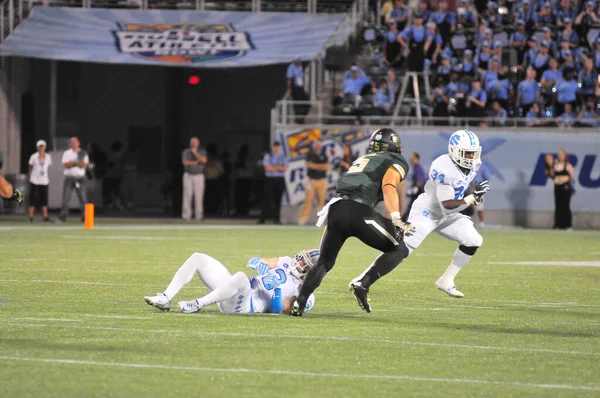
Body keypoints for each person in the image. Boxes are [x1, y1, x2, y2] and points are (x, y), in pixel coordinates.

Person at [290, 128, 416, 316]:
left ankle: (299, 304)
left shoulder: (363, 160)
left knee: (324, 262)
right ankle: (363, 284)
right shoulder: (395, 161)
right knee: (400, 249)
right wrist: (396, 218)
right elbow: (389, 185)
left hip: (337, 209)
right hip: (359, 213)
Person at [353, 130, 490, 300]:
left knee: (474, 240)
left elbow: (459, 192)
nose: (471, 157)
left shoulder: (475, 163)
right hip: (428, 211)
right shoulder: (443, 167)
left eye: (473, 153)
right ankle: (362, 281)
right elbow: (446, 205)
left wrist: (473, 193)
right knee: (404, 249)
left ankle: (446, 280)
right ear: (454, 151)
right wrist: (471, 198)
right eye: (467, 153)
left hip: (448, 213)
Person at [144, 249, 320, 314]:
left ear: (311, 272)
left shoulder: (307, 295)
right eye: (301, 258)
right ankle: (166, 298)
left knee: (240, 278)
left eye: (305, 263)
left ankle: (197, 304)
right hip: (235, 291)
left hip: (247, 305)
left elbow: (276, 310)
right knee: (198, 258)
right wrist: (260, 264)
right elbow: (260, 261)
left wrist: (277, 289)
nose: (299, 262)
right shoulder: (287, 261)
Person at [298, 140, 329, 225]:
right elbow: (309, 165)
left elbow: (326, 167)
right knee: (308, 201)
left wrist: (315, 166)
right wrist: (320, 166)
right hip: (311, 180)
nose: (318, 147)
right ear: (314, 146)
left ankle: (320, 220)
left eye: (319, 145)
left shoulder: (324, 155)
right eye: (317, 145)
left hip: (322, 180)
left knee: (321, 201)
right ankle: (302, 219)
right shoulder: (310, 155)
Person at [58, 137, 89, 222]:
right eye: (72, 142)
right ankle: (63, 216)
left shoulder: (82, 153)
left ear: (78, 143)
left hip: (80, 178)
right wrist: (77, 163)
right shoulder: (67, 153)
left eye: (75, 142)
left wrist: (72, 163)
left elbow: (84, 165)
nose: (74, 144)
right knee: (66, 198)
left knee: (82, 198)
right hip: (69, 178)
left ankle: (84, 216)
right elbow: (65, 165)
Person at [258, 141, 288, 224]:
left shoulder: (283, 157)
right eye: (275, 146)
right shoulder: (268, 156)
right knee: (268, 199)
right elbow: (267, 168)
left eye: (277, 146)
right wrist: (278, 168)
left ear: (280, 147)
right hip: (270, 179)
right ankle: (262, 219)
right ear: (273, 147)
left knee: (278, 200)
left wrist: (274, 167)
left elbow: (285, 168)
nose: (276, 148)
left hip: (279, 179)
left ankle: (276, 219)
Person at [546, 150, 575, 230]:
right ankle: (558, 224)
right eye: (559, 155)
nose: (561, 156)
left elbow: (572, 177)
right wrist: (549, 167)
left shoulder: (568, 165)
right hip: (557, 186)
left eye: (562, 155)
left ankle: (568, 225)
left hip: (565, 187)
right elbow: (552, 175)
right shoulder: (556, 165)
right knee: (558, 205)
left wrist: (569, 185)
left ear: (565, 156)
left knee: (565, 205)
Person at [181, 137, 207, 221]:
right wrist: (196, 162)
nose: (194, 144)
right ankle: (186, 215)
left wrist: (195, 153)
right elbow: (185, 162)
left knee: (199, 196)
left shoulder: (202, 151)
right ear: (190, 143)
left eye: (195, 142)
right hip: (188, 175)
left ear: (198, 143)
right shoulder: (186, 152)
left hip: (199, 176)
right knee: (187, 195)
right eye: (192, 142)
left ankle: (198, 216)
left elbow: (204, 160)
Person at [28, 140, 52, 222]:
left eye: (43, 146)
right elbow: (30, 167)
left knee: (44, 198)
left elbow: (48, 167)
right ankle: (31, 216)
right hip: (34, 180)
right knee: (33, 198)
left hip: (44, 180)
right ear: (37, 147)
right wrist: (31, 176)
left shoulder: (48, 157)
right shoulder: (33, 156)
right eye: (40, 146)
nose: (41, 148)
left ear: (45, 147)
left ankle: (45, 216)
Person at [402, 152, 426, 222]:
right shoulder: (415, 168)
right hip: (416, 193)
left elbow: (420, 181)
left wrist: (415, 188)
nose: (411, 160)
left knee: (412, 208)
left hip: (418, 193)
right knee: (411, 208)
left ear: (416, 159)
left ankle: (405, 221)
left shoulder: (419, 169)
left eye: (412, 158)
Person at [286, 56, 310, 122]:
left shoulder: (300, 66)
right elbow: (289, 79)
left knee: (307, 102)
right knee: (297, 104)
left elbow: (301, 77)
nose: (299, 61)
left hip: (300, 86)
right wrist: (289, 89)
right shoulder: (291, 67)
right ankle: (299, 119)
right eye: (297, 60)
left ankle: (302, 117)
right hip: (295, 87)